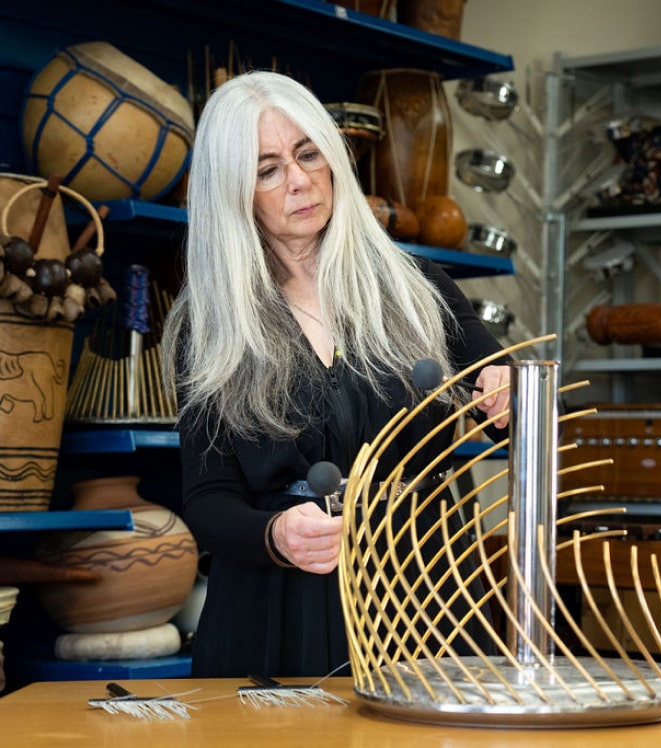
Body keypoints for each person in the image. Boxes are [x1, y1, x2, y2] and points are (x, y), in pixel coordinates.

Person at [161, 70, 511, 678]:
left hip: (427, 596)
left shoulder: (417, 288)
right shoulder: (212, 323)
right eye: (266, 169)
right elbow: (208, 500)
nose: (298, 181)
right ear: (232, 192)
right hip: (279, 610)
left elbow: (524, 417)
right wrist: (275, 535)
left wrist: (509, 395)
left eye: (307, 154)